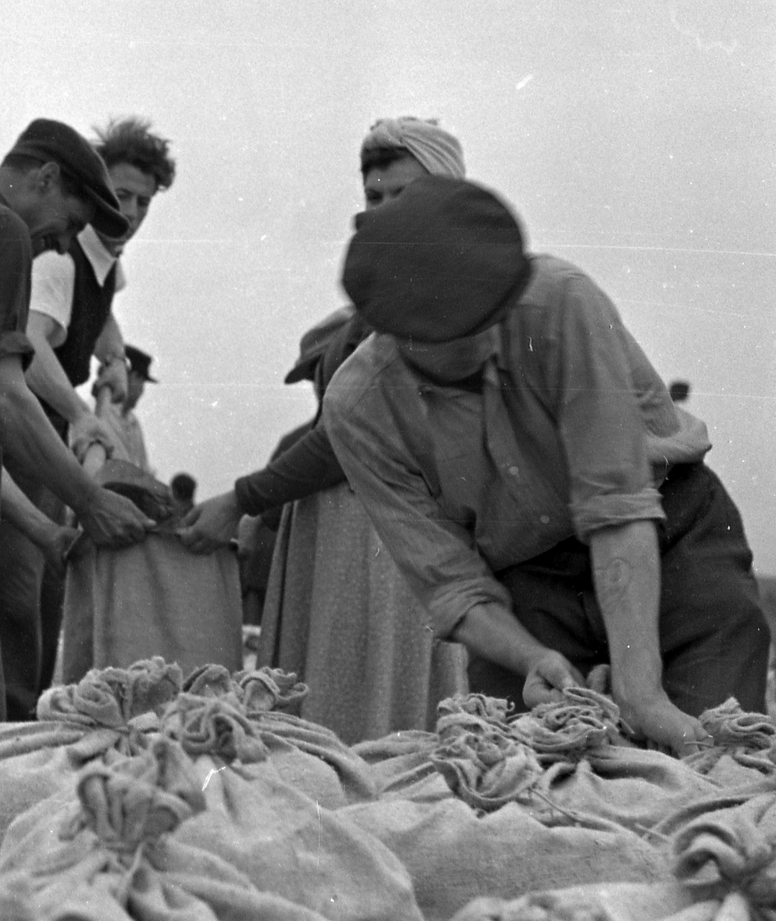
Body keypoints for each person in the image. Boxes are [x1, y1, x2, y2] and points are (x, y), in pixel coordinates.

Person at [326, 174, 768, 754]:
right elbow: (453, 585)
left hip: (671, 535)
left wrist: (642, 694)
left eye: (500, 309)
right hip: (526, 584)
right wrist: (530, 656)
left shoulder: (561, 301)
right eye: (463, 330)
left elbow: (616, 507)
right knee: (524, 776)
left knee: (714, 753)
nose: (491, 335)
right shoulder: (359, 410)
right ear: (399, 332)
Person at [177, 117, 470, 741]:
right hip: (346, 531)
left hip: (384, 536)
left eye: (405, 195)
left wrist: (242, 498)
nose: (385, 211)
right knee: (343, 709)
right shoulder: (383, 298)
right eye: (374, 196)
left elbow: (351, 436)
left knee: (364, 717)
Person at [0, 118, 153, 726]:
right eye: (70, 221)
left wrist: (112, 352)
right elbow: (3, 393)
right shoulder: (4, 229)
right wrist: (89, 497)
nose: (63, 241)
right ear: (48, 177)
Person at [0, 116, 176, 718]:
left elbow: (101, 314)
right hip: (24, 428)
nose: (129, 210)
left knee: (50, 580)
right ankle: (6, 723)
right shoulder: (61, 259)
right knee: (18, 587)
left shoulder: (106, 260)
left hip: (53, 437)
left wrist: (117, 357)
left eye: (142, 201)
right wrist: (81, 413)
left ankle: (36, 714)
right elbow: (31, 344)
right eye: (119, 195)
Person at [97, 344, 157, 473]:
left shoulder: (134, 424)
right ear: (132, 377)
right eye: (141, 380)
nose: (142, 389)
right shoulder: (99, 410)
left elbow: (143, 469)